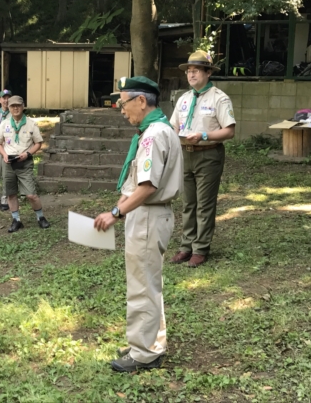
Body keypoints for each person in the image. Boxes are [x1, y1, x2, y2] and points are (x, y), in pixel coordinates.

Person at [94, 76, 183, 373]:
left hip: (147, 216)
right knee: (149, 284)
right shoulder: (160, 129)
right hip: (151, 216)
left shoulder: (152, 135)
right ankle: (151, 343)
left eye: (123, 102)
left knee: (141, 287)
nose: (120, 109)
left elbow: (146, 187)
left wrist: (115, 213)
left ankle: (143, 352)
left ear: (141, 101)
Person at [169, 50, 236, 267]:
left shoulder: (219, 98)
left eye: (196, 70)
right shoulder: (184, 99)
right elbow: (174, 126)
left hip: (208, 154)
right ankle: (186, 246)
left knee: (204, 205)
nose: (191, 75)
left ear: (208, 72)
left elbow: (229, 131)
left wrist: (203, 136)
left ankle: (200, 249)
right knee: (188, 203)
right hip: (185, 154)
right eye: (188, 71)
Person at [0, 95, 50, 233]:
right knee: (11, 193)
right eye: (13, 106)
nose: (16, 108)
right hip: (9, 163)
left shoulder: (31, 123)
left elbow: (38, 143)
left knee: (31, 194)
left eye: (18, 105)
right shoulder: (5, 124)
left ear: (23, 106)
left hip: (25, 162)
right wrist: (4, 155)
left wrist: (28, 154)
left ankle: (40, 217)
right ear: (9, 108)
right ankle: (16, 220)